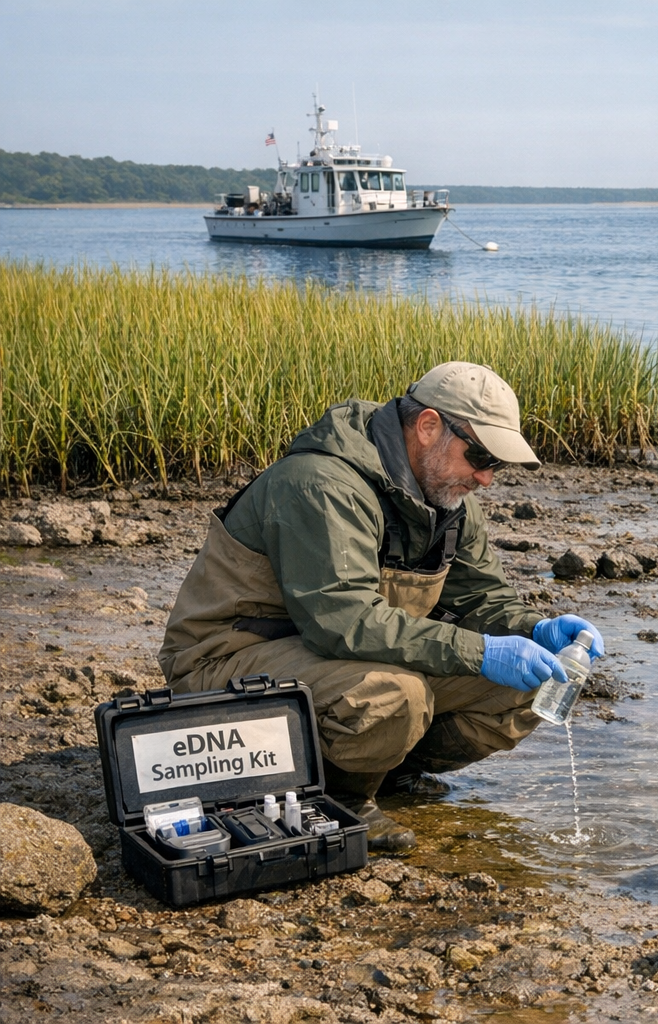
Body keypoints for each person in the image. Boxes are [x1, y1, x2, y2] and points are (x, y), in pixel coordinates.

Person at [159, 361, 604, 851]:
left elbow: (482, 597)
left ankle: (386, 769)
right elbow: (344, 621)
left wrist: (534, 629)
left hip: (329, 657)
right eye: (479, 455)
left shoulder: (450, 498)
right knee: (396, 695)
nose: (485, 478)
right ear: (428, 426)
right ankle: (344, 798)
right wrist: (480, 652)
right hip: (224, 659)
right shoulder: (322, 484)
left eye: (495, 464)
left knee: (539, 679)